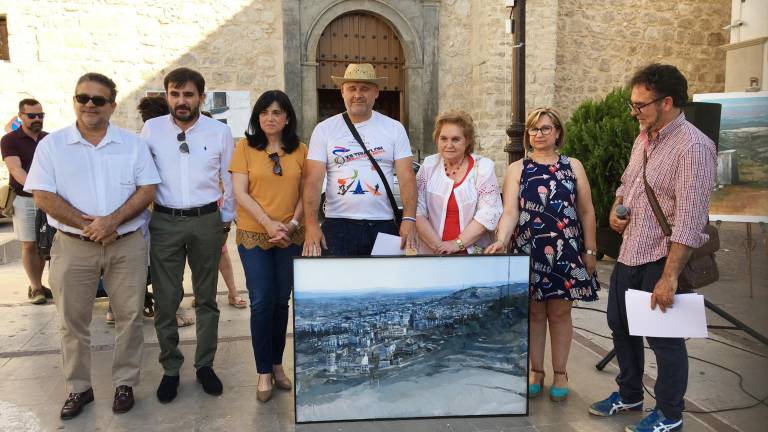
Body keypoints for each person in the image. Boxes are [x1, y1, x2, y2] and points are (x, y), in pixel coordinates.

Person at [24, 73, 160, 418]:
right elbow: (42, 195)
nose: (89, 105)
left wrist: (111, 222)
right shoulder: (52, 146)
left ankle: (125, 382)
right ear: (74, 101)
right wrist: (90, 226)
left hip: (126, 243)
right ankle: (78, 388)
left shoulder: (132, 144)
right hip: (72, 244)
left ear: (112, 106)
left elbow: (147, 190)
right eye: (83, 97)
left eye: (98, 100)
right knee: (72, 320)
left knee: (130, 317)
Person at [589, 64, 716, 432]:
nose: (634, 112)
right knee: (620, 326)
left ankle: (670, 415)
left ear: (668, 102)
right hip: (630, 250)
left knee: (664, 340)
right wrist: (616, 207)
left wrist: (670, 276)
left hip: (662, 258)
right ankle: (629, 395)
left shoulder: (693, 146)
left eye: (640, 105)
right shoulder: (644, 136)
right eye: (633, 104)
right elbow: (628, 182)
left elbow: (691, 220)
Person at [486, 107, 599, 402]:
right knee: (534, 313)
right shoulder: (517, 169)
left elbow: (586, 210)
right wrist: (501, 239)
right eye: (534, 129)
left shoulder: (573, 166)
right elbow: (511, 211)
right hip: (529, 248)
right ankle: (536, 371)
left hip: (567, 248)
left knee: (560, 312)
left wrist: (590, 249)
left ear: (558, 132)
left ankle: (560, 373)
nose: (539, 134)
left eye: (546, 128)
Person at [141, 67, 235, 403]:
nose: (182, 101)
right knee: (166, 301)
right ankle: (170, 369)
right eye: (175, 94)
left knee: (207, 299)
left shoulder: (218, 131)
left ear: (201, 97)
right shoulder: (151, 130)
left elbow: (230, 176)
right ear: (167, 95)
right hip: (164, 222)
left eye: (189, 94)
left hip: (206, 221)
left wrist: (225, 219)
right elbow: (141, 176)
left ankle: (205, 365)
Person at [230, 90, 306, 402]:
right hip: (254, 235)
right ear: (257, 117)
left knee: (280, 303)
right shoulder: (245, 147)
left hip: (290, 236)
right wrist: (267, 223)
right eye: (264, 113)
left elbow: (307, 193)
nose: (270, 118)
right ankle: (262, 371)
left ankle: (277, 366)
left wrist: (291, 225)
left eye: (276, 112)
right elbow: (240, 192)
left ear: (287, 117)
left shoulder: (300, 150)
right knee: (261, 303)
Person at [302, 63, 417, 257]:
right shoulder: (324, 129)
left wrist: (409, 219)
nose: (358, 94)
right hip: (338, 225)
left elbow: (407, 178)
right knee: (340, 286)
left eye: (365, 88)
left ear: (376, 92)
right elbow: (313, 181)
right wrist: (312, 225)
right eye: (352, 88)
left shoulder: (394, 128)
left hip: (383, 224)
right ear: (342, 92)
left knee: (385, 286)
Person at [104, 95, 196, 327]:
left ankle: (115, 307)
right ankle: (164, 310)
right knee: (162, 267)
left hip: (138, 215)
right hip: (156, 214)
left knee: (137, 266)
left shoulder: (133, 144)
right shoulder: (153, 143)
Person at [415, 110, 502, 254]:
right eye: (443, 138)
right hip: (432, 253)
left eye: (456, 139)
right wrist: (439, 246)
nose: (449, 145)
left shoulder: (482, 168)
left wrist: (457, 244)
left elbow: (488, 212)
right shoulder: (429, 165)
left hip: (471, 255)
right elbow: (417, 209)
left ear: (467, 141)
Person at [1, 98, 51, 304]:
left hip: (50, 199)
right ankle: (36, 287)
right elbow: (16, 170)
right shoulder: (9, 140)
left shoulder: (49, 139)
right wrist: (38, 189)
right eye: (32, 116)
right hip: (25, 199)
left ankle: (44, 284)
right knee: (30, 244)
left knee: (47, 245)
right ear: (21, 116)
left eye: (40, 115)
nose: (37, 119)